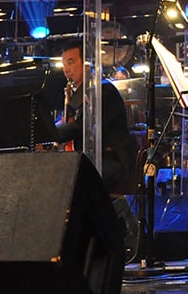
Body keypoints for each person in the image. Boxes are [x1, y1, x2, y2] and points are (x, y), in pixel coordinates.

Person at [57, 41, 139, 196]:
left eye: (71, 62)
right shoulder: (77, 94)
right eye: (63, 64)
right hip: (92, 158)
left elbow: (83, 127)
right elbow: (65, 122)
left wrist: (50, 132)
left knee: (70, 178)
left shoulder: (104, 91)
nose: (66, 69)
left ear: (87, 64)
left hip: (112, 159)